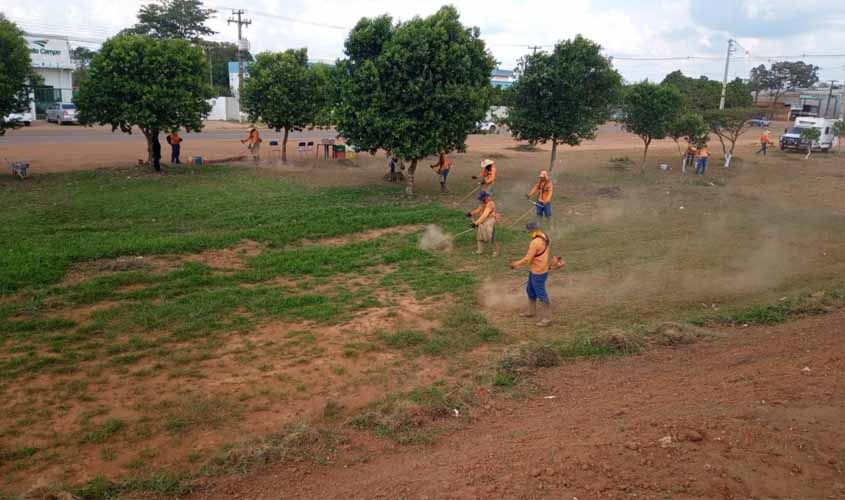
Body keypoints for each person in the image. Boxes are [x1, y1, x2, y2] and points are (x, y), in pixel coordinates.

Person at [510, 222, 552, 327]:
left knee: (541, 294)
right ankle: (531, 311)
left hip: (538, 272)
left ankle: (547, 318)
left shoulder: (535, 242)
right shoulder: (544, 236)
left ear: (531, 230)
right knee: (530, 290)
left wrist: (515, 264)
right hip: (539, 268)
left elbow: (527, 259)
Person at [466, 192, 500, 257]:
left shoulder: (490, 204)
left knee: (491, 237)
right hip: (483, 220)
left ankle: (496, 251)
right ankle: (480, 250)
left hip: (490, 220)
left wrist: (476, 223)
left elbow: (485, 215)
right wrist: (471, 213)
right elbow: (479, 209)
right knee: (479, 235)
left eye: (482, 199)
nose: (481, 200)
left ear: (486, 198)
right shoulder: (483, 202)